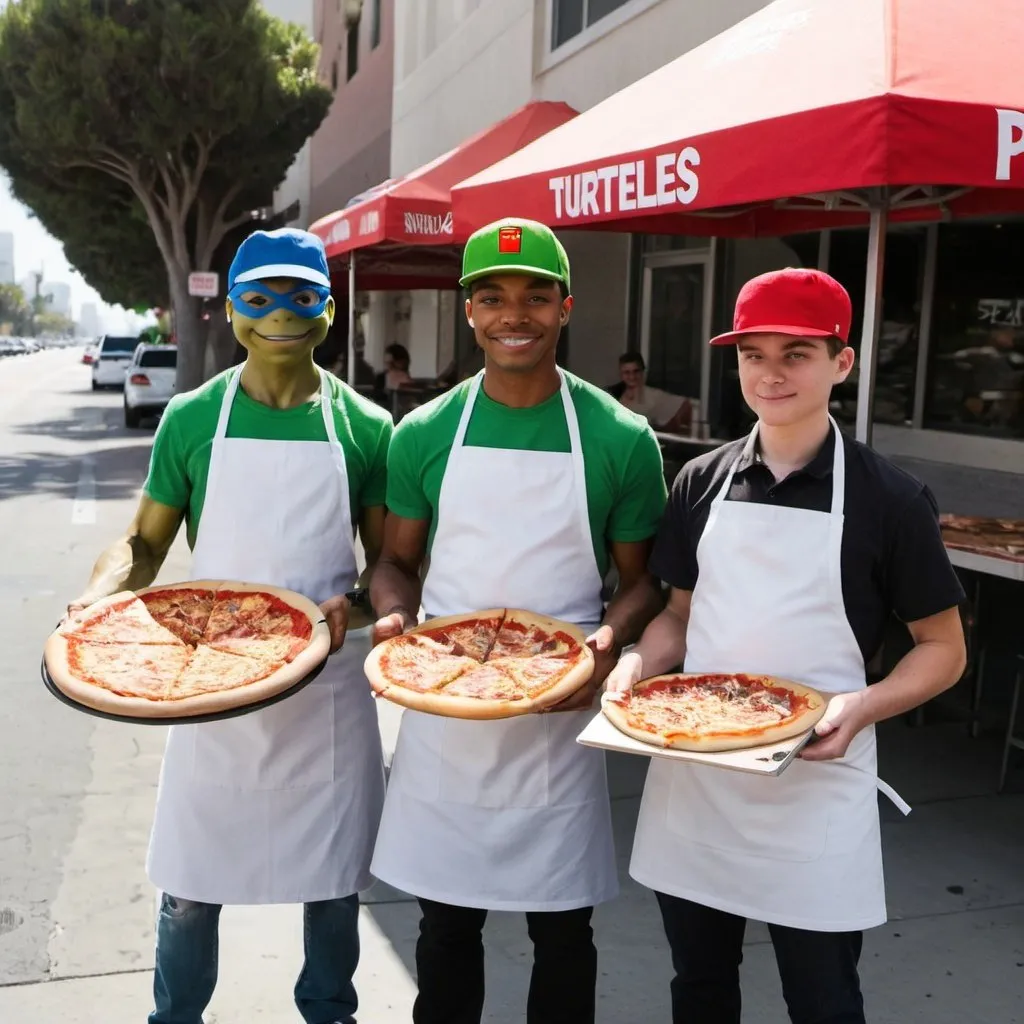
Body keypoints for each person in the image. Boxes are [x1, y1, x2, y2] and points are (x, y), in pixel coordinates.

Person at [606, 267, 968, 1024]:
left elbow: (943, 648)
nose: (770, 373)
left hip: (816, 781)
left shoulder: (890, 499)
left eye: (795, 353)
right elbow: (678, 615)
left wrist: (862, 708)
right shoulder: (700, 482)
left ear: (843, 363)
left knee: (824, 1001)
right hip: (697, 778)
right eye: (753, 354)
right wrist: (634, 667)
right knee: (699, 990)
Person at [68, 228, 392, 1024]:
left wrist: (359, 597)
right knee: (189, 888)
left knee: (333, 883)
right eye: (258, 298)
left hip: (325, 685)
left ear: (327, 310)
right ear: (232, 309)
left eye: (300, 298)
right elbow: (145, 543)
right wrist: (95, 596)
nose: (278, 314)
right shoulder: (190, 418)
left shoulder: (365, 426)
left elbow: (387, 565)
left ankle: (329, 1013)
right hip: (209, 686)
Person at [368, 217, 668, 1024]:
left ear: (566, 307)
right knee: (444, 931)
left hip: (557, 713)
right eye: (493, 296)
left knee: (565, 934)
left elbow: (643, 585)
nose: (515, 314)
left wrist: (605, 649)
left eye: (537, 296)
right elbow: (394, 563)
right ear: (468, 311)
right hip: (444, 709)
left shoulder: (621, 437)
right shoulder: (424, 433)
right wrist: (397, 623)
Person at [616, 351, 693, 432]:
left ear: (642, 371)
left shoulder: (653, 395)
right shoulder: (617, 395)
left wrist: (670, 429)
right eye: (627, 372)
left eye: (636, 371)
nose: (632, 376)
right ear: (621, 374)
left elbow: (686, 405)